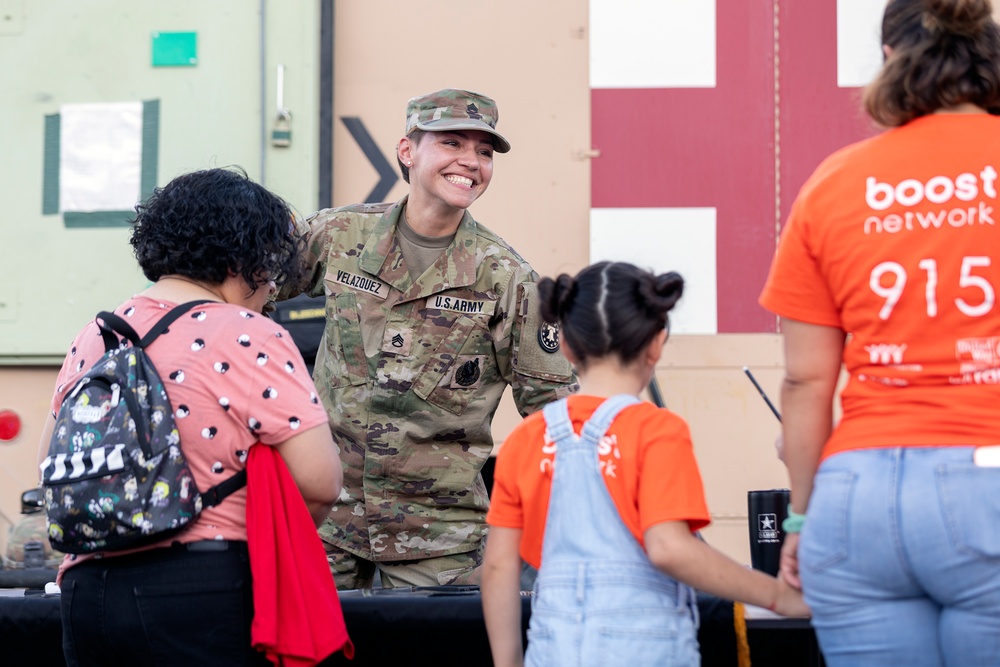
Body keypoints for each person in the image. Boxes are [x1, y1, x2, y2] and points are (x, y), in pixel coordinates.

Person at [759, 1, 1000, 664]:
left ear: (890, 60)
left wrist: (802, 520)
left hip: (855, 497)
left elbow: (807, 379)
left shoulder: (833, 181)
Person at [40, 168, 343, 666]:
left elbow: (50, 463)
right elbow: (320, 482)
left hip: (86, 592)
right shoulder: (247, 333)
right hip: (199, 589)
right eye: (270, 269)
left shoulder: (96, 334)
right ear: (244, 258)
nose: (271, 288)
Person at [279, 89, 577, 590]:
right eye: (452, 143)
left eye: (484, 151)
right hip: (324, 517)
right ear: (407, 151)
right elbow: (245, 295)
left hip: (438, 535)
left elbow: (551, 410)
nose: (471, 162)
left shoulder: (506, 277)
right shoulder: (339, 235)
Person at [482, 262, 808, 667]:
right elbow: (670, 549)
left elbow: (497, 567)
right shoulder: (656, 430)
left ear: (564, 345)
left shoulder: (524, 441)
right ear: (656, 343)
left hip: (555, 649)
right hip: (647, 650)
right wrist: (777, 595)